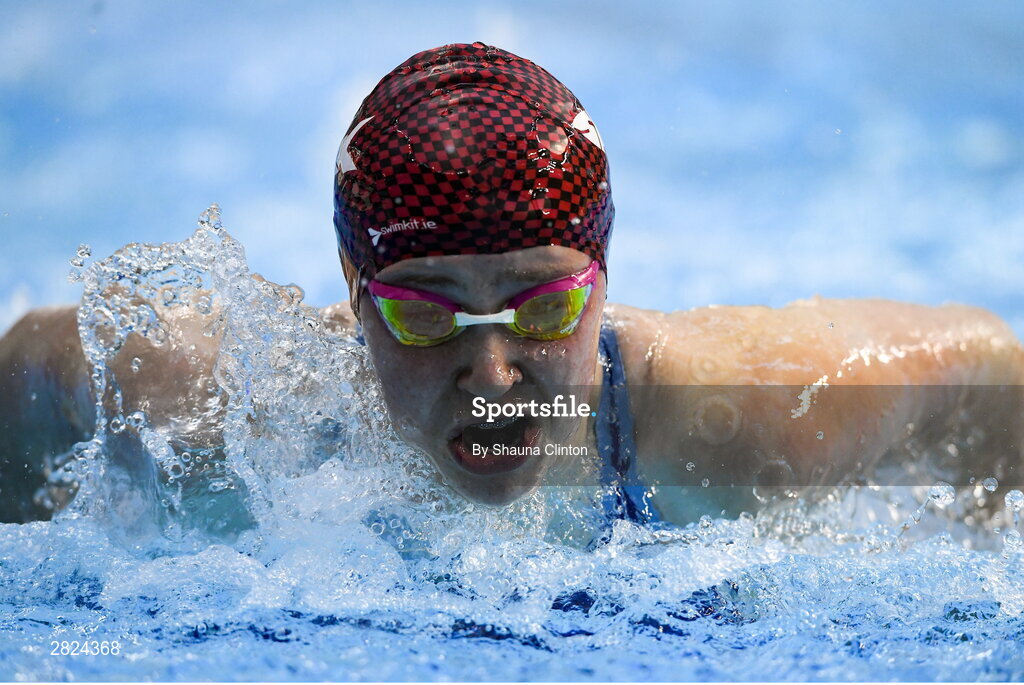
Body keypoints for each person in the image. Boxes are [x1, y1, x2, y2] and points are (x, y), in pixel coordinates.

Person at [2, 42, 1022, 529]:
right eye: (422, 313)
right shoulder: (224, 413)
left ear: (602, 279)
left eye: (542, 308)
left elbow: (982, 366)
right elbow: (30, 379)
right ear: (354, 290)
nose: (491, 368)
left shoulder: (754, 415)